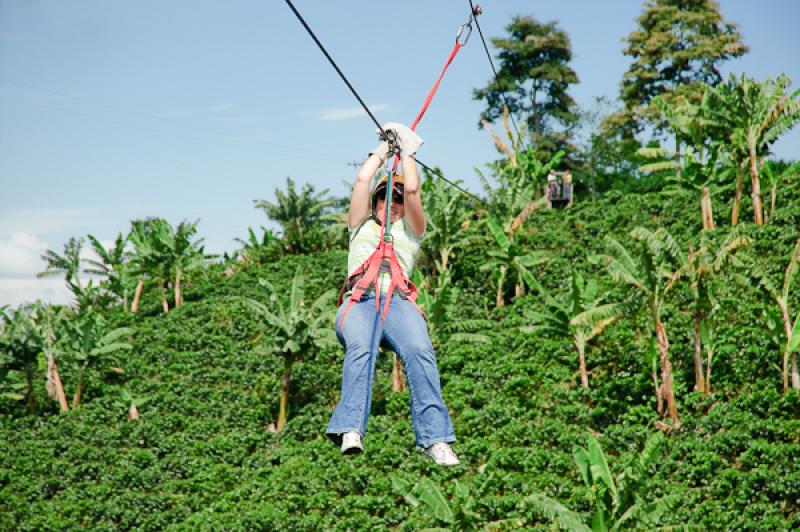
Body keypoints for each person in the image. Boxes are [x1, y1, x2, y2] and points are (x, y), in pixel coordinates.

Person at [326, 123, 459, 467]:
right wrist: (382, 152)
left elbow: (412, 190)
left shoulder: (411, 232)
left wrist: (408, 153)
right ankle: (350, 428)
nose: (392, 204)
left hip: (397, 303)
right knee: (361, 349)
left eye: (396, 199)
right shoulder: (360, 225)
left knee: (420, 351)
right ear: (376, 202)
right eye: (386, 198)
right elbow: (361, 181)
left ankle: (435, 438)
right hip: (362, 301)